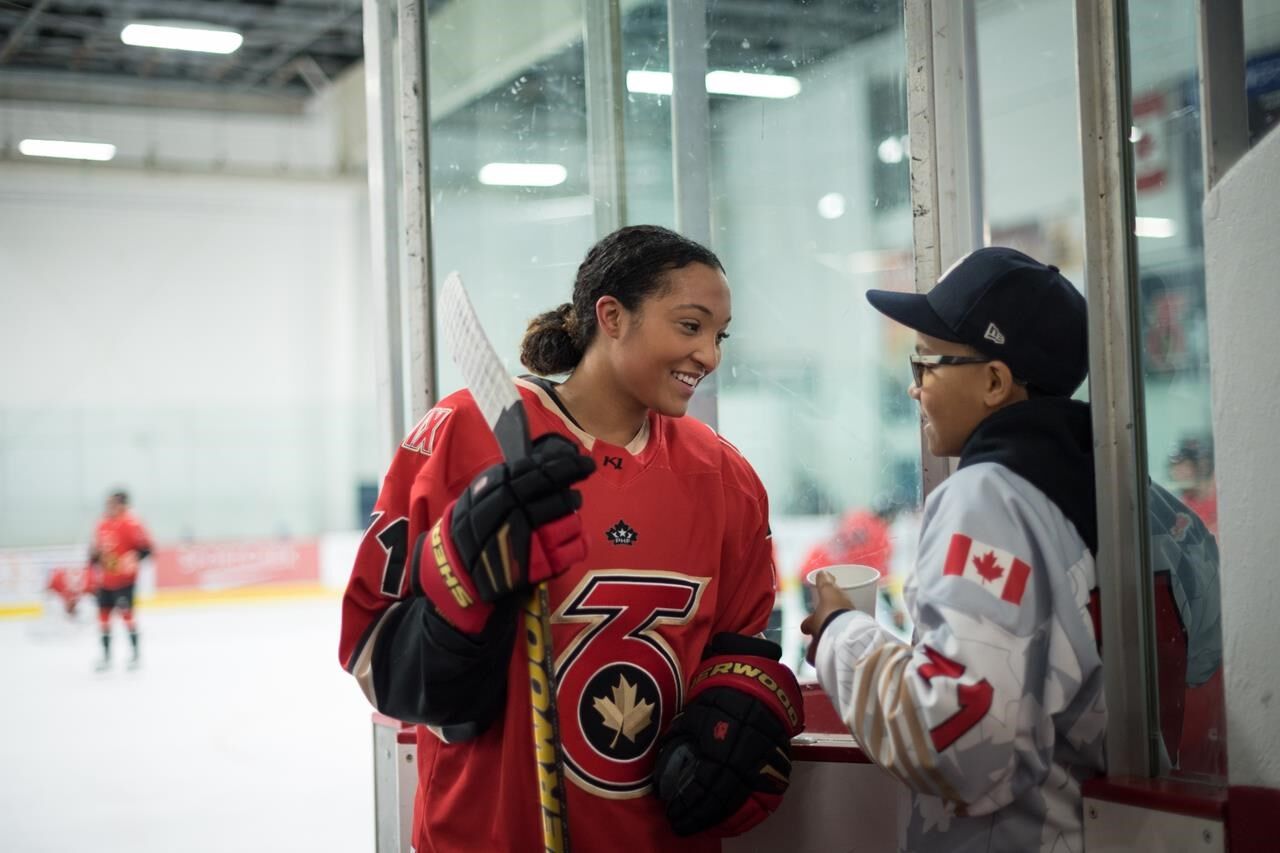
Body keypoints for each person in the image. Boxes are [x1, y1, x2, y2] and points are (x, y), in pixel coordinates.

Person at [339, 225, 803, 852]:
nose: (711, 357)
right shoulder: (462, 434)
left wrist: (736, 704)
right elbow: (374, 652)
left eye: (719, 336)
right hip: (488, 834)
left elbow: (742, 639)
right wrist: (460, 590)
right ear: (611, 316)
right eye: (690, 327)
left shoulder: (725, 475)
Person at [802, 247, 1105, 852]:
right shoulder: (1116, 486)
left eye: (924, 366)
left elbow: (955, 741)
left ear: (994, 381)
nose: (914, 390)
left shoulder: (988, 499)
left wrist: (840, 631)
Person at [90, 489, 153, 670]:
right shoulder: (102, 524)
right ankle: (106, 657)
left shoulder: (132, 524)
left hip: (124, 581)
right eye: (108, 503)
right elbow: (96, 551)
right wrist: (95, 557)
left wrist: (133, 558)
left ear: (123, 505)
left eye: (114, 503)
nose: (110, 507)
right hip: (105, 580)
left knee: (127, 617)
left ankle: (134, 655)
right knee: (103, 618)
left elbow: (146, 549)